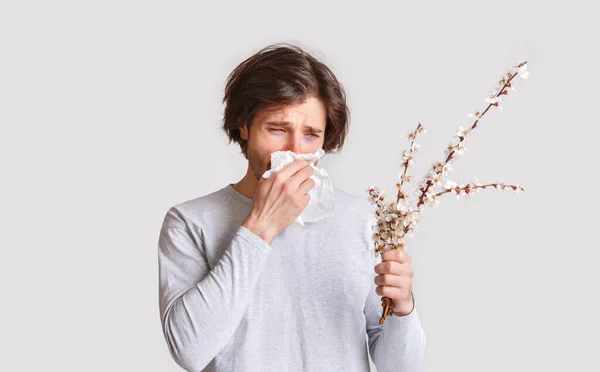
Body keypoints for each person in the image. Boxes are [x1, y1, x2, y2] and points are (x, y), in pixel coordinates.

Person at [157, 43, 426, 371]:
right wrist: (260, 226)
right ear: (245, 126)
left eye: (311, 135)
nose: (296, 150)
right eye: (278, 130)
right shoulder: (191, 222)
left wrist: (403, 308)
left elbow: (400, 366)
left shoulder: (361, 219)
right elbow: (189, 351)